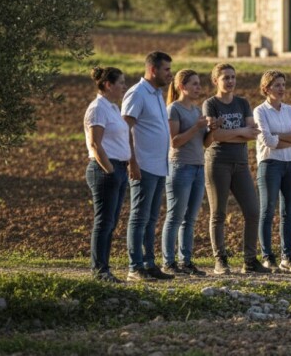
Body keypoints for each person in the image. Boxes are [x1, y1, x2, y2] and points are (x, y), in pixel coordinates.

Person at [203, 63, 268, 274]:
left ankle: (249, 260)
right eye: (226, 78)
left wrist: (231, 132)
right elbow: (216, 136)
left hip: (240, 163)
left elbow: (253, 132)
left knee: (252, 210)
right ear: (216, 81)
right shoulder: (210, 104)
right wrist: (240, 131)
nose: (230, 81)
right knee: (218, 213)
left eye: (233, 77)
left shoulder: (242, 103)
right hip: (217, 162)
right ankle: (220, 260)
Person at [122, 51, 175, 282]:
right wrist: (132, 162)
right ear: (153, 70)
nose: (170, 75)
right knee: (139, 217)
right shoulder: (137, 93)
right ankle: (135, 267)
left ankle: (149, 263)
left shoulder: (157, 94)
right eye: (166, 70)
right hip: (143, 166)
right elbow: (126, 129)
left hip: (159, 166)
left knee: (152, 217)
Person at [254, 70, 291, 272]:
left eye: (283, 84)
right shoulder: (260, 111)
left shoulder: (290, 110)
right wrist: (289, 138)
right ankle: (267, 256)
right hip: (270, 164)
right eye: (277, 85)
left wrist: (281, 137)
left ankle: (287, 257)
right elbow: (268, 141)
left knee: (288, 213)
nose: (281, 89)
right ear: (266, 88)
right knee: (267, 211)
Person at [160, 69, 210, 276]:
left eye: (199, 83)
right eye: (194, 84)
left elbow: (205, 142)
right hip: (180, 166)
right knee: (175, 216)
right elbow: (175, 141)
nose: (198, 88)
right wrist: (196, 127)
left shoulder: (197, 111)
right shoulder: (174, 109)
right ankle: (168, 262)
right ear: (182, 86)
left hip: (199, 166)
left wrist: (212, 130)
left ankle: (186, 261)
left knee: (190, 218)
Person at [83, 67, 130, 283]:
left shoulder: (111, 107)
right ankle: (99, 270)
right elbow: (95, 143)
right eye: (120, 82)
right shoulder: (98, 108)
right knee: (103, 222)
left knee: (110, 222)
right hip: (105, 170)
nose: (123, 86)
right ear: (108, 84)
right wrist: (110, 170)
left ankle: (104, 268)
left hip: (118, 169)